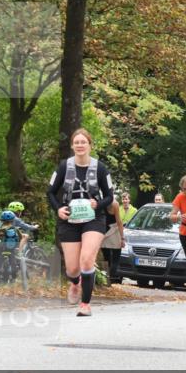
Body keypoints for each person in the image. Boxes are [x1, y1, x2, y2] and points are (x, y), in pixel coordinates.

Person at [46, 128, 115, 316]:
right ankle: (75, 282)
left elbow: (110, 196)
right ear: (72, 146)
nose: (80, 145)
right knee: (73, 268)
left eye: (83, 142)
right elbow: (50, 192)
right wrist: (58, 209)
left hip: (94, 219)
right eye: (76, 142)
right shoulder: (63, 167)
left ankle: (85, 304)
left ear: (90, 145)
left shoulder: (100, 168)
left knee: (86, 260)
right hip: (69, 220)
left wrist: (98, 204)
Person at [0, 210, 37, 286]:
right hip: (11, 249)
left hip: (2, 249)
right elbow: (20, 238)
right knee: (13, 264)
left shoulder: (0, 230)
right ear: (12, 221)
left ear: (2, 221)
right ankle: (13, 279)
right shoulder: (15, 229)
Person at [100, 199, 124, 284]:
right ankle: (112, 278)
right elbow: (119, 221)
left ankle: (106, 279)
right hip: (114, 230)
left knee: (106, 258)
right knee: (116, 258)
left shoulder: (99, 201)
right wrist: (122, 237)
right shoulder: (114, 203)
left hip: (103, 231)